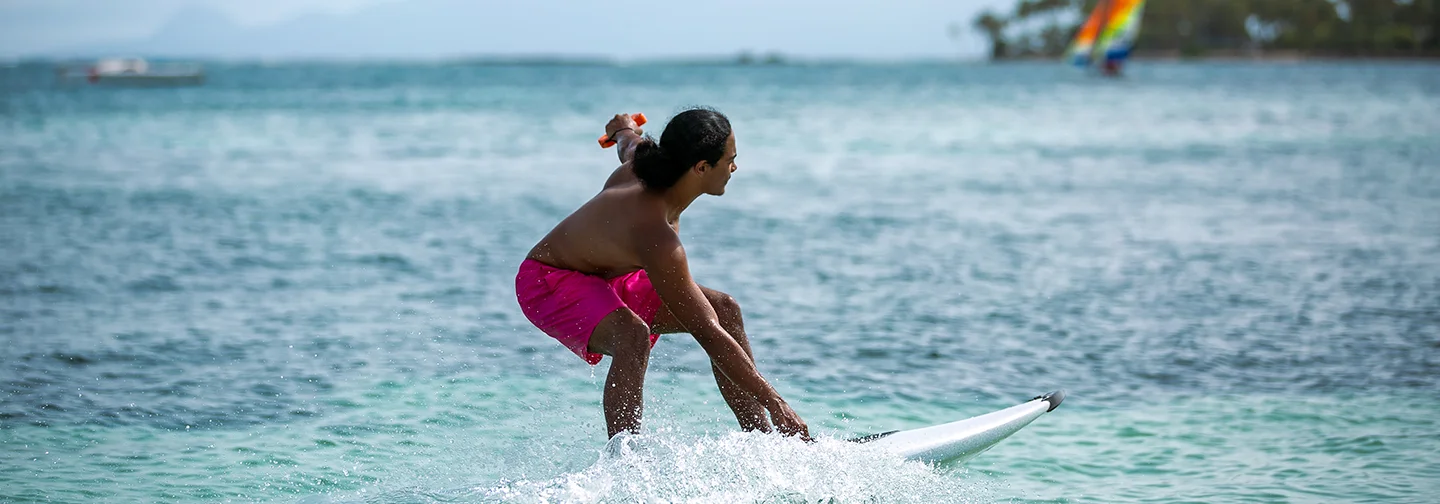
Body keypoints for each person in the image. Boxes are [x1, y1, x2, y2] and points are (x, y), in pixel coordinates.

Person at [514, 107, 810, 440]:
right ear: (701, 168)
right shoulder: (657, 238)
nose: (734, 167)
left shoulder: (647, 161)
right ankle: (622, 466)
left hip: (609, 277)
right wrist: (775, 400)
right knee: (632, 336)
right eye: (730, 159)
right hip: (548, 281)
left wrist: (622, 129)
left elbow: (629, 143)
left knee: (725, 310)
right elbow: (707, 334)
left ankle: (765, 442)